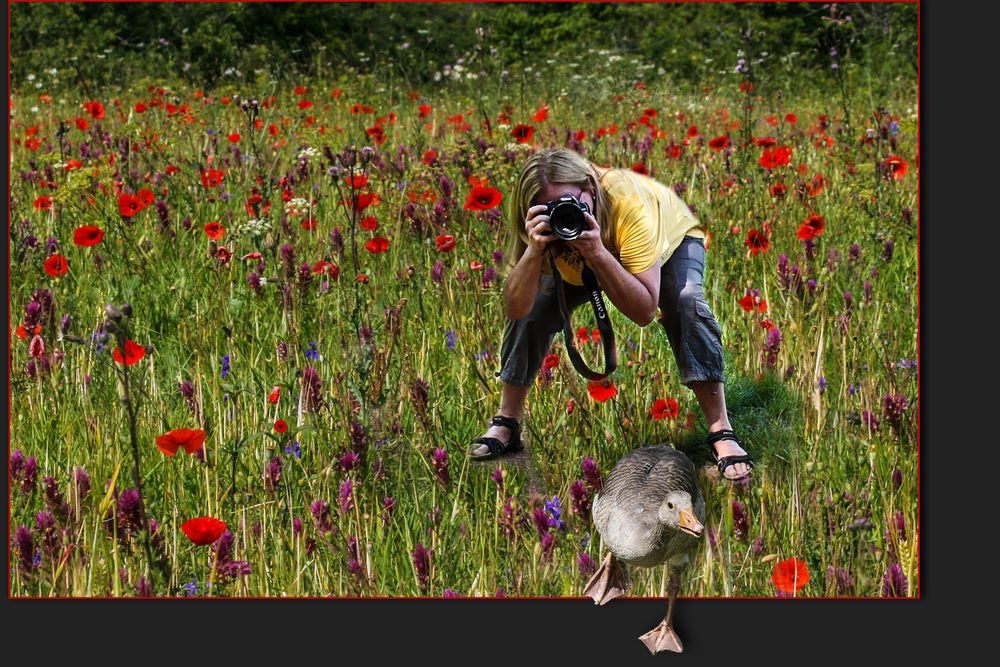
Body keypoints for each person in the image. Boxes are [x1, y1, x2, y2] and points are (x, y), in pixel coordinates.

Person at [467, 148, 753, 483]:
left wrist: (596, 252)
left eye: (569, 204)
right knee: (534, 306)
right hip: (588, 255)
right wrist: (533, 252)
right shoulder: (538, 223)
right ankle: (507, 420)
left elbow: (645, 310)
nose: (563, 215)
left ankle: (721, 428)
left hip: (669, 239)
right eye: (550, 209)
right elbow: (515, 308)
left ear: (590, 187)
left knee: (685, 300)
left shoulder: (629, 208)